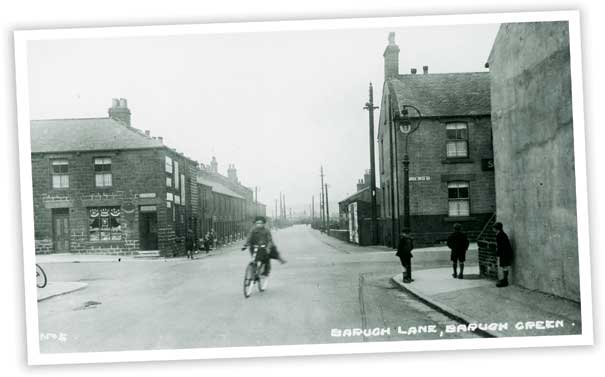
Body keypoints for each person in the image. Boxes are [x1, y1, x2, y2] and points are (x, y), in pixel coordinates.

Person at [493, 222, 513, 287]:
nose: (493, 229)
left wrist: (498, 253)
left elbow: (501, 246)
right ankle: (504, 279)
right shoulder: (501, 234)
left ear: (497, 228)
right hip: (504, 253)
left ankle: (505, 281)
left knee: (505, 266)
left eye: (494, 228)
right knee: (504, 266)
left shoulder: (500, 235)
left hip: (505, 253)